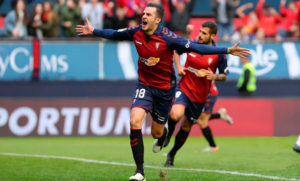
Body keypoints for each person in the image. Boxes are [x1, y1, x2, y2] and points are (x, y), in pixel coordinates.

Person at [76, 3, 250, 180]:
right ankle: (139, 172)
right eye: (144, 13)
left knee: (156, 133)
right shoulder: (136, 32)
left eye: (149, 15)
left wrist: (227, 50)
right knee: (135, 120)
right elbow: (115, 33)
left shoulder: (169, 38)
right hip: (144, 85)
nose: (144, 16)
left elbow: (197, 47)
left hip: (165, 90)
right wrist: (94, 31)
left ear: (157, 20)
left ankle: (164, 135)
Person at [160, 21, 229, 167]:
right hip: (184, 88)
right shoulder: (191, 44)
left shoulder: (218, 54)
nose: (200, 35)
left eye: (204, 33)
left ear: (212, 36)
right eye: (200, 32)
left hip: (200, 97)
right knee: (175, 114)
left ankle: (172, 154)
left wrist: (215, 76)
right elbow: (176, 52)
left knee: (186, 127)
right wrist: (178, 67)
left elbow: (224, 75)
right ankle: (168, 133)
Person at [197, 81, 233, 152]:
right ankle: (220, 115)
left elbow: (217, 76)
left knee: (201, 121)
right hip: (201, 92)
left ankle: (213, 146)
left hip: (207, 93)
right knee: (196, 119)